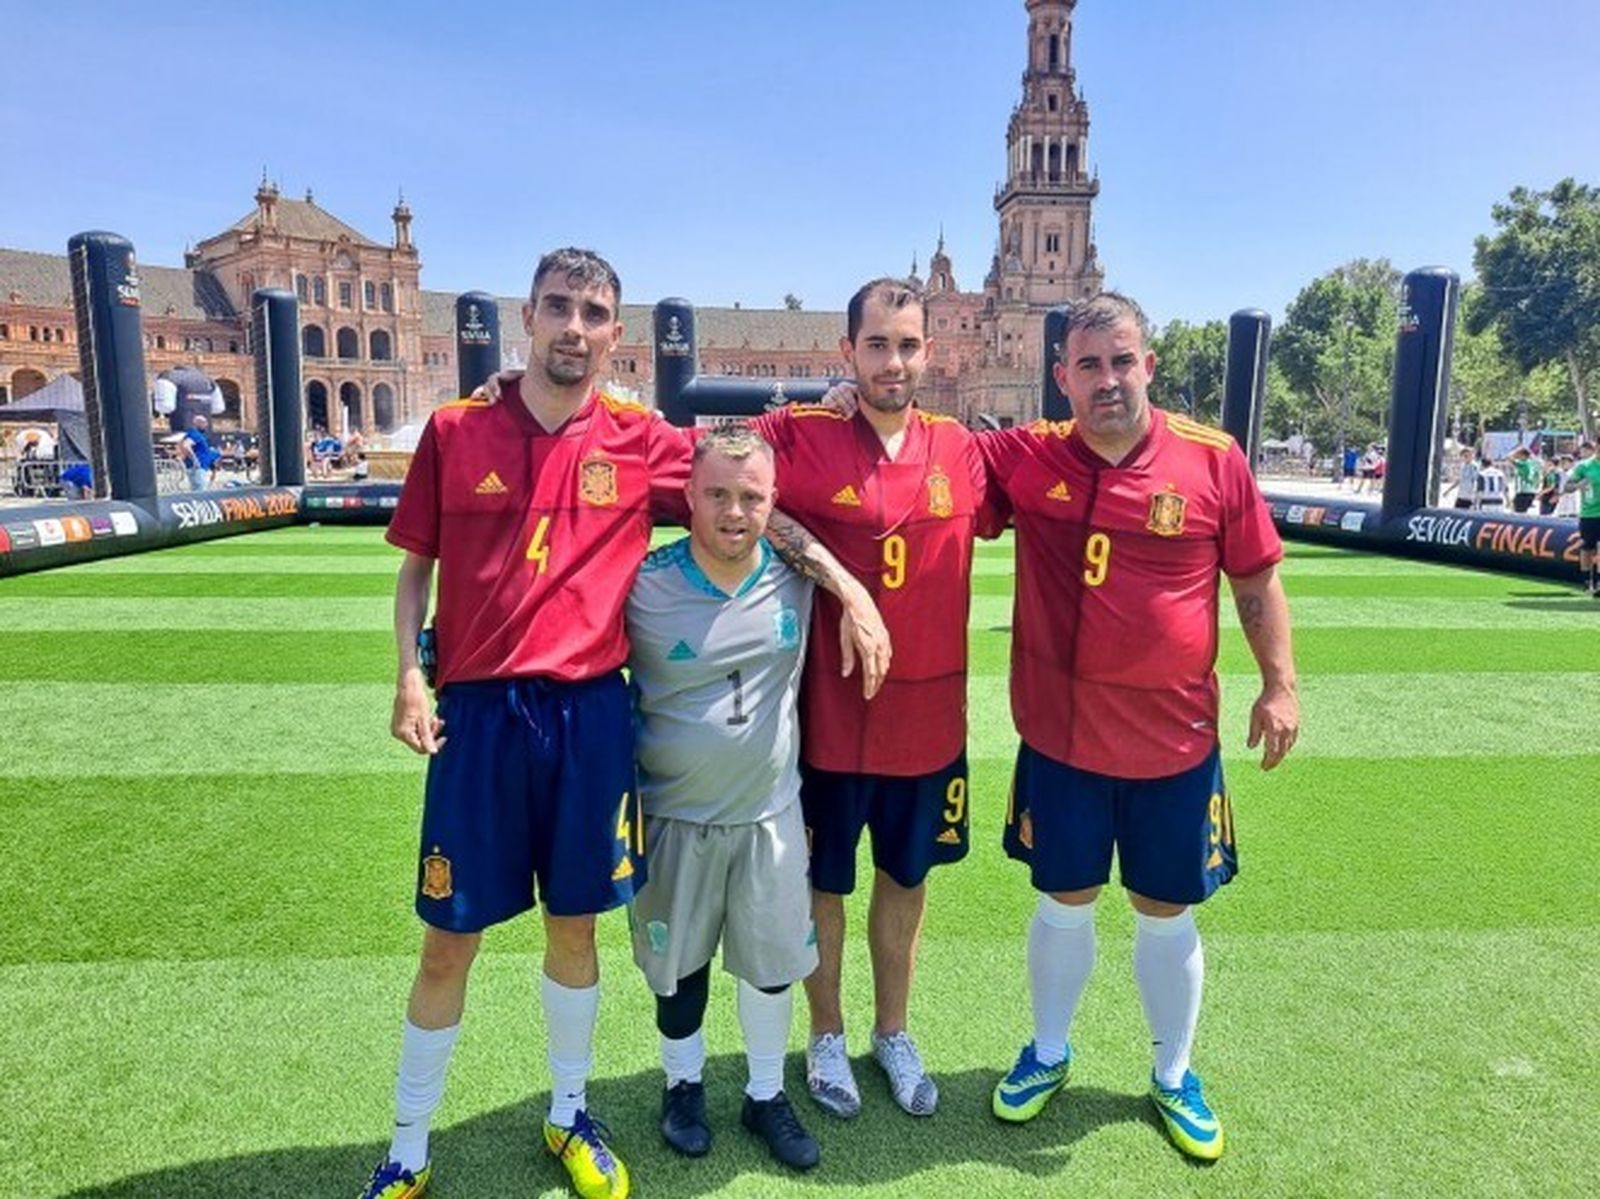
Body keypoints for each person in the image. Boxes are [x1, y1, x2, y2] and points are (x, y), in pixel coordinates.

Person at [364, 247, 885, 1199]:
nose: (575, 325)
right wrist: (407, 671)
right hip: (479, 717)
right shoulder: (454, 428)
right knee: (447, 942)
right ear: (528, 315)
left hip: (592, 716)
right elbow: (415, 567)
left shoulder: (638, 437)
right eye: (559, 306)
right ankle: (406, 1145)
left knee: (577, 931)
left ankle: (569, 1116)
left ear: (615, 331)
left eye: (594, 312)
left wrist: (844, 568)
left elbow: (745, 489)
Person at [477, 276, 986, 1122]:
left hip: (927, 722)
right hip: (825, 724)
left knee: (906, 878)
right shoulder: (797, 431)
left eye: (907, 344)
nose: (892, 361)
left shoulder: (967, 448)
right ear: (846, 352)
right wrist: (522, 388)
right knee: (823, 883)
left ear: (929, 351)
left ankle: (892, 1031)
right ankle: (824, 1038)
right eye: (876, 344)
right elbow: (710, 456)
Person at [975, 292, 1299, 1163]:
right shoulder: (1026, 455)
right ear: (1062, 378)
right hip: (1062, 740)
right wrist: (853, 398)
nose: (1107, 379)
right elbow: (923, 458)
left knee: (1167, 913)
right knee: (1061, 901)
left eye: (1122, 361)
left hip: (1174, 744)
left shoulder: (1211, 459)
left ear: (1148, 365)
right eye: (1088, 365)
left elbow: (1258, 580)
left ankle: (1174, 1071)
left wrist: (1281, 685)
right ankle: (1047, 1052)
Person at [625, 425, 821, 1171]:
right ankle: (683, 1086)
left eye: (750, 496)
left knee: (771, 964)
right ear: (688, 498)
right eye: (717, 494)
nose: (734, 511)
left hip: (770, 814)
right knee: (682, 968)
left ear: (773, 502)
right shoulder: (645, 582)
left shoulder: (797, 574)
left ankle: (765, 1092)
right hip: (674, 817)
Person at [1563, 441, 1600, 595]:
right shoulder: (1584, 466)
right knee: (1588, 548)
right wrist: (1579, 485)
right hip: (1589, 514)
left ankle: (1598, 582)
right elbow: (1567, 487)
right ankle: (1586, 581)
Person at [177, 415, 219, 491]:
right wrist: (195, 460)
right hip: (198, 469)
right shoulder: (195, 434)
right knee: (200, 492)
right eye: (204, 422)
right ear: (198, 423)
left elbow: (181, 445)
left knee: (198, 490)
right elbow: (186, 445)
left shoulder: (196, 435)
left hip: (199, 468)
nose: (206, 425)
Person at [1510, 445, 1542, 513]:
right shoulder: (1534, 463)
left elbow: (1509, 458)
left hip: (1523, 492)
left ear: (1523, 455)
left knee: (1518, 513)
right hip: (1532, 491)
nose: (1517, 457)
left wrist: (1515, 451)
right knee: (1524, 513)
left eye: (1519, 455)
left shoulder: (1523, 463)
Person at [1452, 445, 1480, 510]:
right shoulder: (1463, 466)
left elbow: (1476, 481)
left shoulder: (1474, 466)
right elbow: (1459, 480)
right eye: (1464, 456)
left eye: (1468, 456)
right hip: (1461, 495)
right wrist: (1449, 490)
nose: (1466, 458)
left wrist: (1475, 496)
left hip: (1469, 497)